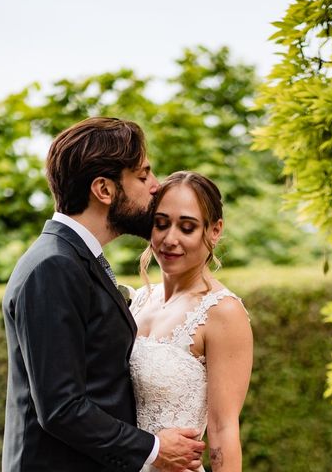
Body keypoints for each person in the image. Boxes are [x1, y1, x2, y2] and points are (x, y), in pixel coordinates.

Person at [1, 118, 205, 472]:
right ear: (104, 190)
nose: (156, 187)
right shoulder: (53, 267)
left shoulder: (75, 259)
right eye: (143, 176)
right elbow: (61, 407)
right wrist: (154, 449)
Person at [129, 171, 254, 472]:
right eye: (161, 224)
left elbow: (224, 430)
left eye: (187, 227)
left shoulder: (222, 312)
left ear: (214, 231)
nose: (170, 239)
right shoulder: (139, 301)